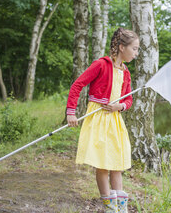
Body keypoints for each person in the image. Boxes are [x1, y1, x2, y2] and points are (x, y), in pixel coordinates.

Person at [66, 27, 139, 213]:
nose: (136, 53)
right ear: (122, 47)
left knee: (117, 164)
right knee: (103, 165)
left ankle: (121, 209)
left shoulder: (126, 72)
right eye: (135, 48)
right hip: (97, 118)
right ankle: (110, 209)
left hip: (114, 120)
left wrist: (120, 106)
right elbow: (77, 85)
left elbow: (128, 99)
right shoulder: (101, 64)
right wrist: (71, 112)